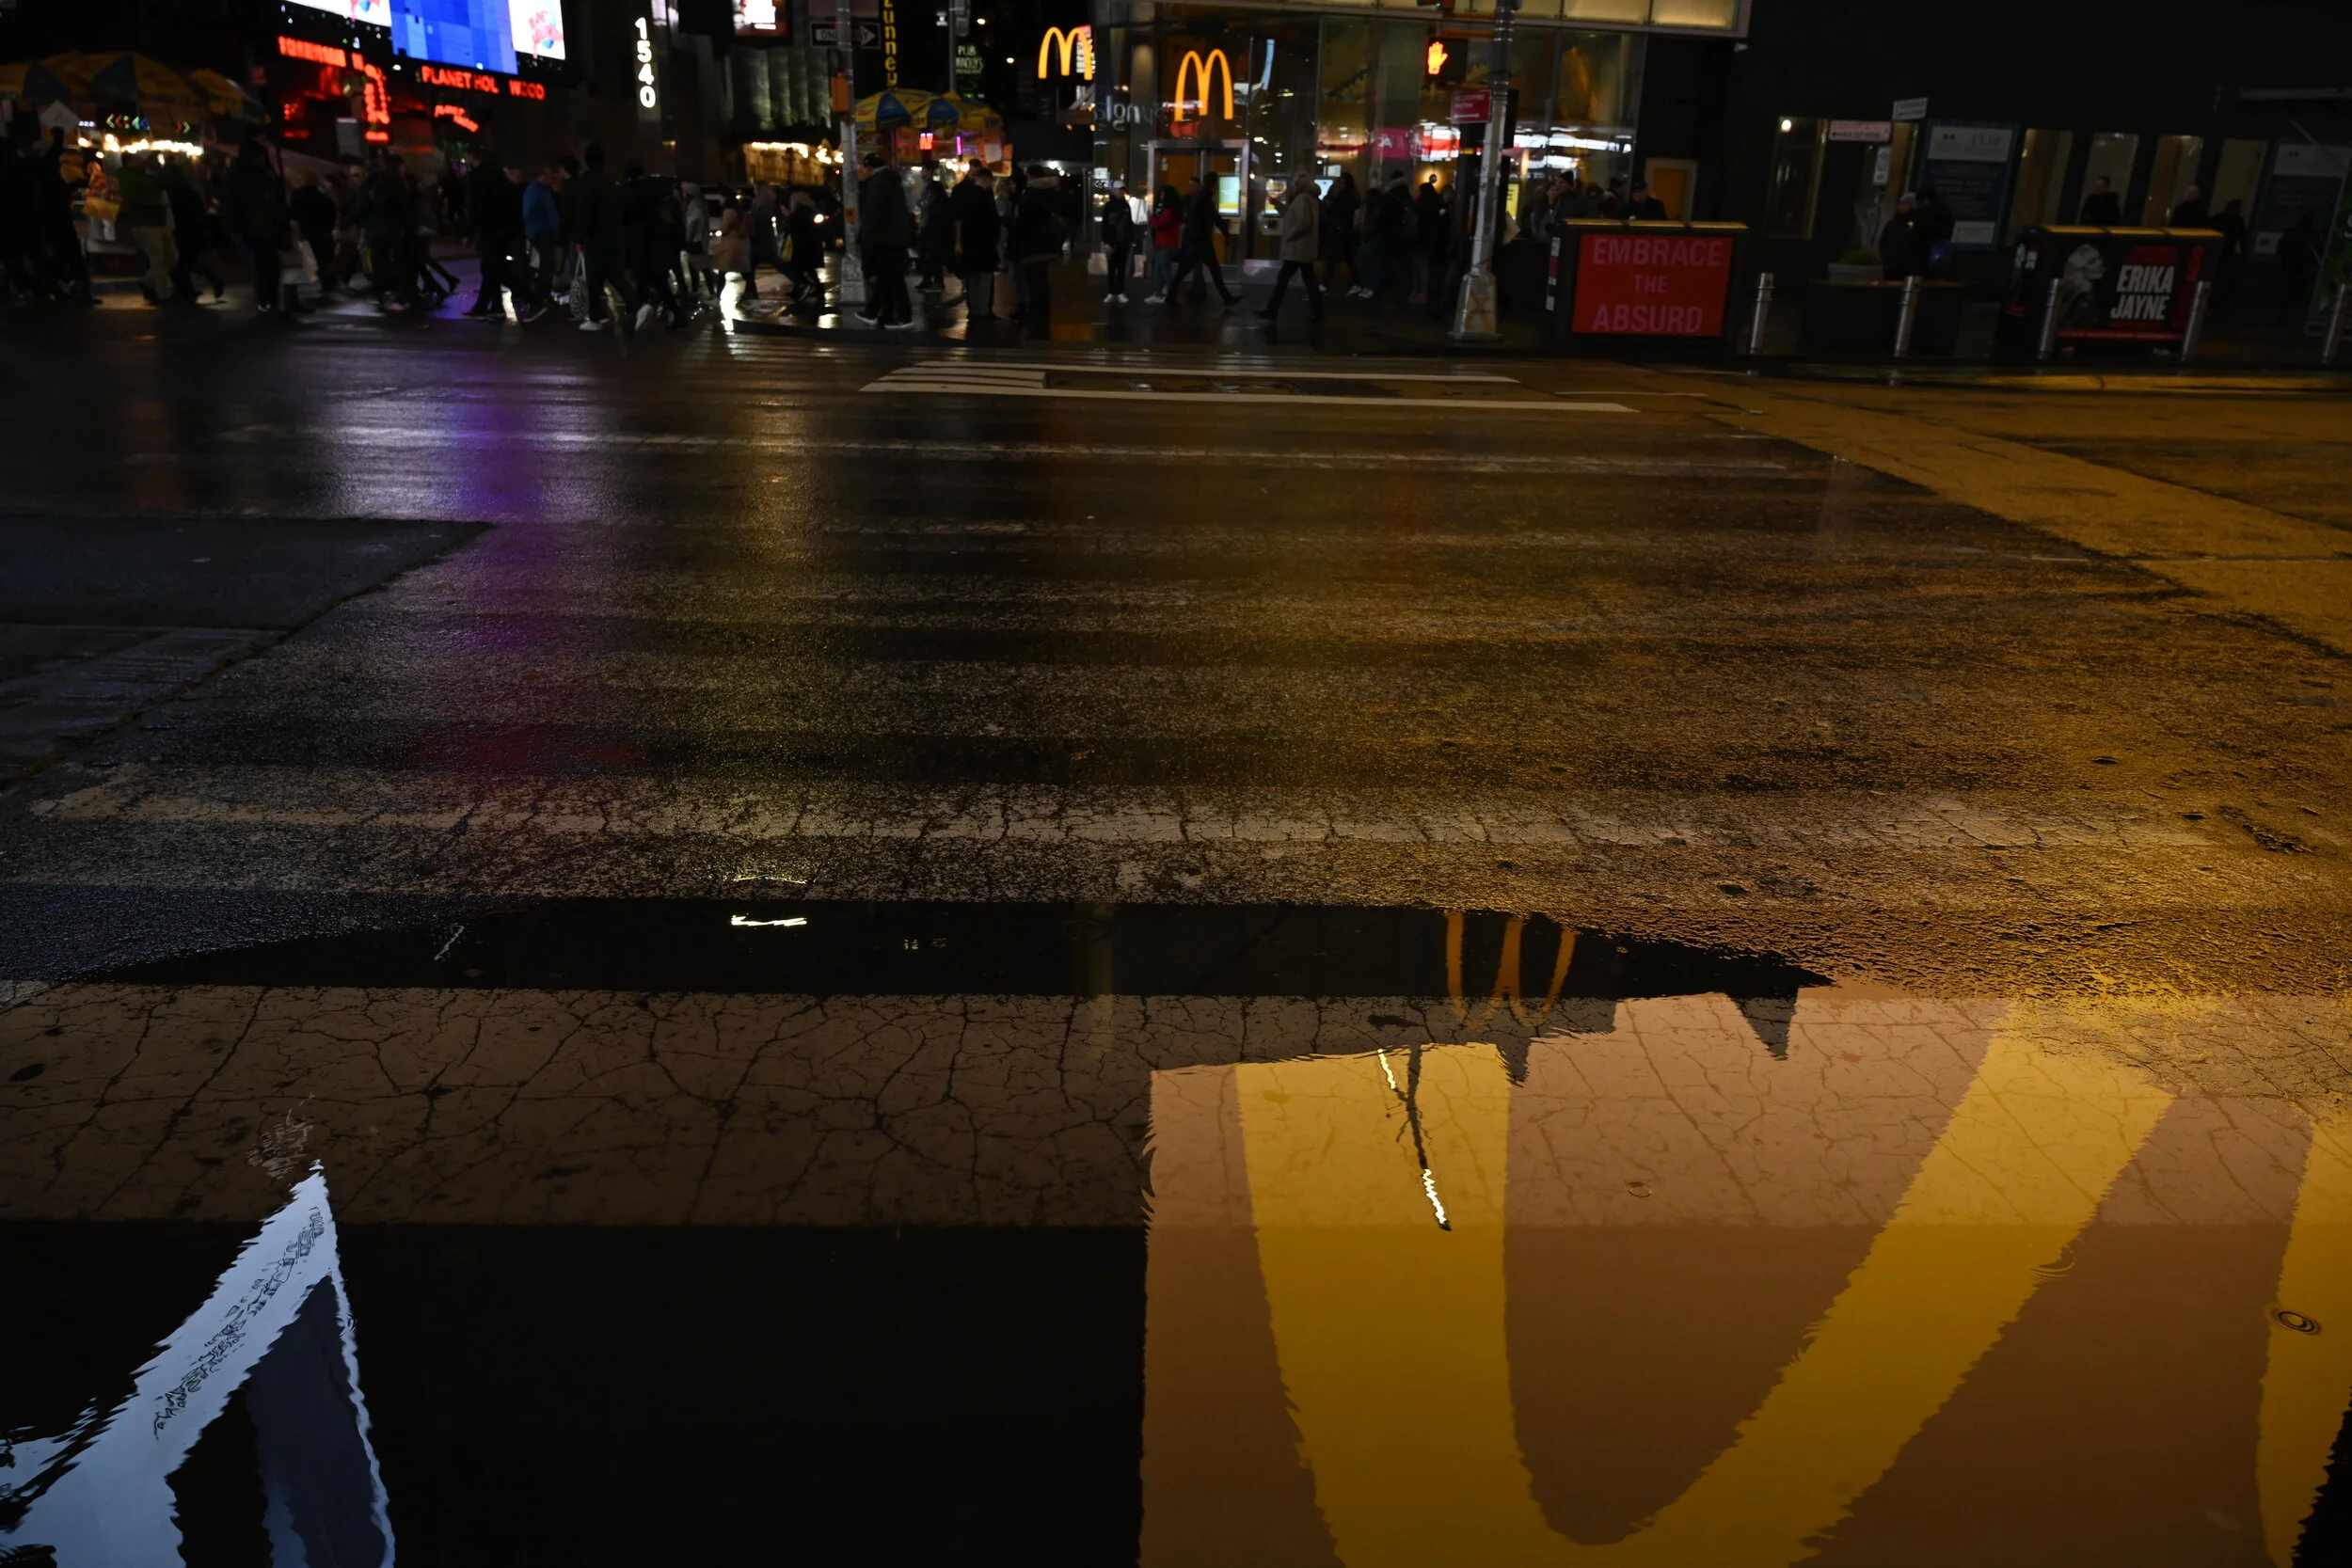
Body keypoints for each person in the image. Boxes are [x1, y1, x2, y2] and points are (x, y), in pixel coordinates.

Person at [223, 137, 294, 314]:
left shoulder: (265, 174)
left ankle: (272, 299)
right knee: (264, 265)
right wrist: (237, 227)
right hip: (256, 227)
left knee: (272, 266)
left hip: (270, 226)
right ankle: (266, 300)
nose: (261, 161)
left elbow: (277, 198)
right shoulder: (242, 176)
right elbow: (234, 203)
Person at [572, 141, 636, 331]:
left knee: (594, 279)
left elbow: (584, 212)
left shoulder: (587, 183)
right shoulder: (611, 183)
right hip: (614, 236)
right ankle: (638, 306)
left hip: (595, 238)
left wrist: (580, 238)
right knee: (614, 276)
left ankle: (595, 318)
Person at [1255, 171, 1324, 325]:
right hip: (1304, 247)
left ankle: (1272, 311)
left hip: (1297, 247)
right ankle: (1318, 312)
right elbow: (1293, 215)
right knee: (1308, 281)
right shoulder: (1311, 198)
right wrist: (1277, 204)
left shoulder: (1302, 198)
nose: (1292, 187)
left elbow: (1303, 223)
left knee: (1284, 278)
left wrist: (1289, 236)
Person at [856, 152, 914, 327]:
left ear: (870, 168)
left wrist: (865, 237)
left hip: (884, 239)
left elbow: (873, 214)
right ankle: (881, 314)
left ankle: (901, 316)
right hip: (894, 238)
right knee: (888, 278)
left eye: (865, 168)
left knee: (891, 278)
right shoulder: (891, 182)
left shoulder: (877, 184)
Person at [1163, 174, 1237, 307]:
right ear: (1214, 184)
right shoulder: (1205, 198)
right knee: (1213, 269)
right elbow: (1213, 217)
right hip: (1201, 241)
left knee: (1183, 270)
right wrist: (1226, 233)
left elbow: (1200, 217)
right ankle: (1227, 298)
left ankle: (1170, 297)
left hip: (1195, 239)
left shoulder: (1200, 197)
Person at [1011, 163, 1066, 335]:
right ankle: (1041, 318)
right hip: (1046, 243)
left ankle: (1036, 320)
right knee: (1041, 282)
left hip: (1032, 244)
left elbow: (1025, 220)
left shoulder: (1031, 194)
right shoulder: (1050, 193)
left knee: (1034, 283)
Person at [117, 151, 176, 304]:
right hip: (144, 223)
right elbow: (139, 197)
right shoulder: (129, 176)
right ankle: (164, 294)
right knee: (158, 259)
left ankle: (149, 282)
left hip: (159, 222)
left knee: (172, 258)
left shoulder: (148, 175)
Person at [950, 158, 1000, 322]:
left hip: (970, 243)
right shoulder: (985, 197)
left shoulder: (963, 193)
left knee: (972, 277)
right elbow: (992, 222)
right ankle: (983, 311)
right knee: (984, 279)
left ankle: (975, 310)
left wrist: (959, 241)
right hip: (984, 244)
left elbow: (958, 218)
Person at [288, 171, 338, 302]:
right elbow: (331, 212)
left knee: (309, 261)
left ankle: (299, 292)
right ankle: (327, 285)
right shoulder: (322, 197)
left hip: (306, 233)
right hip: (322, 233)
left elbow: (293, 214)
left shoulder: (298, 196)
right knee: (323, 261)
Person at [522, 163, 564, 317]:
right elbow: (529, 211)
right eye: (548, 174)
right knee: (547, 265)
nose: (551, 177)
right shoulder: (535, 190)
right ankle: (539, 297)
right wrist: (540, 227)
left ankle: (543, 296)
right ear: (541, 175)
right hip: (541, 233)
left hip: (544, 232)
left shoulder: (542, 190)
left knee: (547, 265)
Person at [2279, 209, 2323, 325]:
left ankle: (2285, 315)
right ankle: (2295, 316)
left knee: (2289, 290)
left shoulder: (2293, 232)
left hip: (2292, 264)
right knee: (2299, 290)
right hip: (2301, 265)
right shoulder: (2311, 233)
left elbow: (2281, 247)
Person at [1319, 169, 1359, 292]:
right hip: (1343, 232)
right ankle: (1357, 284)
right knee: (1347, 260)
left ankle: (1325, 284)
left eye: (1342, 183)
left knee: (1333, 258)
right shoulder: (1349, 195)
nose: (1340, 185)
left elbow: (1335, 210)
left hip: (1341, 231)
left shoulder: (1347, 197)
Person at [915, 162, 952, 292]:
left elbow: (924, 203)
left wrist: (918, 201)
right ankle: (927, 279)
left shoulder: (934, 187)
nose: (922, 172)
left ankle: (937, 281)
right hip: (927, 224)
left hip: (933, 226)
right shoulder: (927, 186)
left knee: (932, 253)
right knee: (925, 253)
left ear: (929, 171)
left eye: (924, 169)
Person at [2209, 197, 2248, 318]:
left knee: (2216, 280)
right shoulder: (2237, 221)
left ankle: (2213, 306)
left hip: (2215, 253)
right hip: (2227, 254)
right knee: (2226, 282)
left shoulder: (2217, 219)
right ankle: (2221, 308)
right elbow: (2243, 239)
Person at [1099, 179, 1136, 305]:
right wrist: (1106, 242)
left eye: (1122, 189)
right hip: (1113, 242)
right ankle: (1113, 292)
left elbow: (1129, 224)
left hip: (1122, 242)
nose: (1120, 192)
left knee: (1120, 268)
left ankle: (1118, 292)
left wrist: (1130, 239)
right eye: (1118, 189)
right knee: (1112, 268)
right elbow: (1104, 225)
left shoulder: (1125, 206)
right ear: (1114, 191)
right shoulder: (1110, 206)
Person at [1143, 183, 1181, 302]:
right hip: (1165, 243)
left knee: (1164, 270)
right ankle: (1160, 293)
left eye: (1164, 195)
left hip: (1165, 243)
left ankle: (1169, 294)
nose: (1161, 197)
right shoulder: (1171, 210)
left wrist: (1150, 218)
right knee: (1160, 270)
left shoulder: (1168, 211)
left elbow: (1159, 225)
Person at [1410, 176, 1445, 304]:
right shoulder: (1436, 205)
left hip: (1420, 240)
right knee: (1423, 267)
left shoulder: (1421, 205)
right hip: (1429, 241)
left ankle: (1419, 291)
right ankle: (1422, 293)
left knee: (1418, 267)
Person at [1877, 192, 1919, 280]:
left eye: (1907, 204)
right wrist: (1886, 258)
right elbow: (1883, 241)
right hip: (1889, 266)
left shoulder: (1916, 224)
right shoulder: (1892, 223)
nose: (1903, 207)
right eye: (1901, 204)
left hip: (1906, 269)